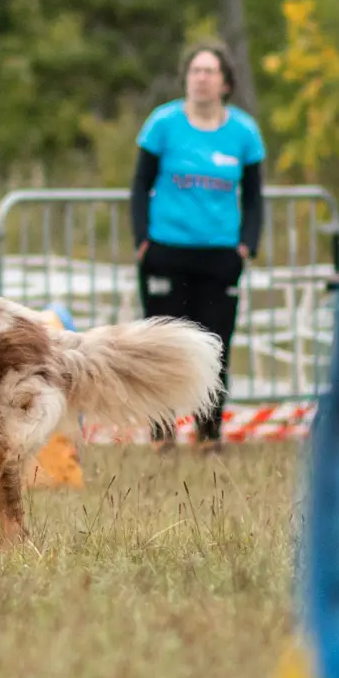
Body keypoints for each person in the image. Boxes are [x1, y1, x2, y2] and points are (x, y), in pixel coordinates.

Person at [130, 42, 266, 449]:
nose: (201, 78)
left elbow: (255, 195)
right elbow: (140, 185)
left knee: (214, 346)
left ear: (225, 82)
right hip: (166, 252)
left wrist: (247, 245)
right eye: (195, 70)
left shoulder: (243, 132)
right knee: (163, 347)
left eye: (210, 71)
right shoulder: (163, 124)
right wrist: (141, 242)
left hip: (219, 255)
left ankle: (209, 435)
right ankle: (162, 432)